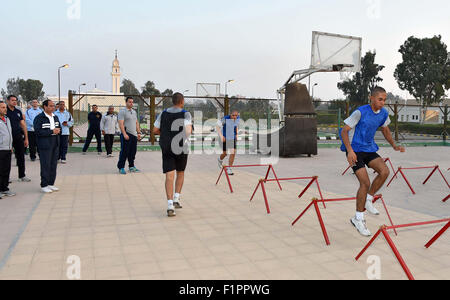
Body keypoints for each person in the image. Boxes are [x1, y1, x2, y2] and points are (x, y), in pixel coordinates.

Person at [340, 86, 405, 237]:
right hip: (355, 151)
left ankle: (369, 199)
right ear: (372, 98)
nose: (383, 102)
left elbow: (385, 130)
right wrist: (349, 151)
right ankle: (358, 218)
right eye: (380, 99)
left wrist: (394, 145)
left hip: (369, 149)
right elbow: (344, 131)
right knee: (365, 183)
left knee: (385, 171)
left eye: (384, 100)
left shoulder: (383, 113)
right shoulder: (360, 112)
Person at [153, 93, 192, 217]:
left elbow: (154, 130)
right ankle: (176, 198)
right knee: (180, 172)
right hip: (181, 147)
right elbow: (188, 131)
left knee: (169, 176)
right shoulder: (186, 113)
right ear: (182, 101)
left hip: (167, 147)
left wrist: (166, 135)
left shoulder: (163, 113)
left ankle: (170, 205)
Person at [34, 100, 61, 194]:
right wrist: (51, 132)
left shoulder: (55, 117)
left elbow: (59, 128)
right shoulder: (39, 118)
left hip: (55, 143)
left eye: (53, 106)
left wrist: (57, 131)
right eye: (50, 106)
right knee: (46, 165)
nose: (53, 108)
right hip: (45, 144)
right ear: (44, 107)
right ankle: (44, 185)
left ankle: (51, 183)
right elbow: (37, 132)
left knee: (53, 164)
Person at [6, 95, 31, 182]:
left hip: (18, 137)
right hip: (7, 138)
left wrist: (26, 138)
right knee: (7, 158)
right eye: (12, 100)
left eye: (15, 100)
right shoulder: (4, 111)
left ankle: (22, 175)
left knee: (21, 156)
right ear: (8, 101)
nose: (14, 102)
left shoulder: (18, 111)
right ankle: (6, 177)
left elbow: (23, 125)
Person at [117, 97, 142, 174]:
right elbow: (120, 123)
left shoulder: (134, 112)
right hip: (126, 134)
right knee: (124, 152)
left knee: (132, 152)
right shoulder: (122, 111)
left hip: (134, 135)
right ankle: (121, 167)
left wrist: (138, 132)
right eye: (129, 102)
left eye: (132, 102)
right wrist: (124, 134)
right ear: (126, 102)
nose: (131, 103)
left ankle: (131, 166)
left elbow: (136, 122)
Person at [217, 110, 240, 176]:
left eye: (236, 115)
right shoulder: (225, 119)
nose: (235, 117)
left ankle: (229, 168)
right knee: (225, 153)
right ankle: (220, 159)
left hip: (232, 137)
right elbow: (217, 127)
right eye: (233, 115)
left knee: (233, 152)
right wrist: (221, 136)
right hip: (225, 137)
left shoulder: (237, 118)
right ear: (230, 115)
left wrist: (236, 134)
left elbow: (235, 127)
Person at [0, 102, 15, 198]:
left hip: (8, 148)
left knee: (6, 169)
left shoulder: (7, 119)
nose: (5, 109)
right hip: (0, 149)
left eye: (5, 107)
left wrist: (11, 146)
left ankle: (5, 188)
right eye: (2, 107)